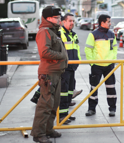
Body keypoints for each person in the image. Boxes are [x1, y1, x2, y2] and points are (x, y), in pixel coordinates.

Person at [30, 6, 68, 143]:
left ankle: (48, 129)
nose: (60, 20)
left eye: (59, 17)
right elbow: (44, 52)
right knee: (45, 105)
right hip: (48, 73)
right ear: (48, 18)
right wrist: (62, 56)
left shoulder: (53, 31)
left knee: (54, 104)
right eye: (57, 18)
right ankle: (38, 134)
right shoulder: (44, 31)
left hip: (56, 72)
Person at [84, 14, 118, 117]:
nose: (110, 23)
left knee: (111, 88)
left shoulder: (112, 34)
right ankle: (91, 109)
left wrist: (112, 60)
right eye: (108, 21)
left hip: (109, 66)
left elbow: (115, 48)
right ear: (102, 22)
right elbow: (88, 49)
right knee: (94, 88)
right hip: (97, 66)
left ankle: (112, 109)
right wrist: (92, 63)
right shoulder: (93, 34)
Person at [59, 13, 81, 123]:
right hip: (64, 68)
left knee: (69, 92)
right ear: (63, 22)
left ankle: (66, 114)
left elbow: (76, 49)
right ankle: (61, 116)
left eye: (73, 21)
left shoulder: (73, 34)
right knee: (63, 92)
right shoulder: (60, 34)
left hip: (72, 67)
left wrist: (77, 62)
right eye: (70, 21)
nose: (72, 23)